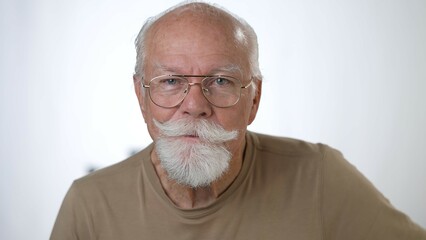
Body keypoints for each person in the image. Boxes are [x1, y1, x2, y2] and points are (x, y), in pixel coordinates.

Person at [50, 2, 426, 239]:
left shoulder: (320, 178)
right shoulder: (89, 204)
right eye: (170, 81)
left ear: (254, 98)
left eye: (220, 81)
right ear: (141, 95)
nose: (194, 104)